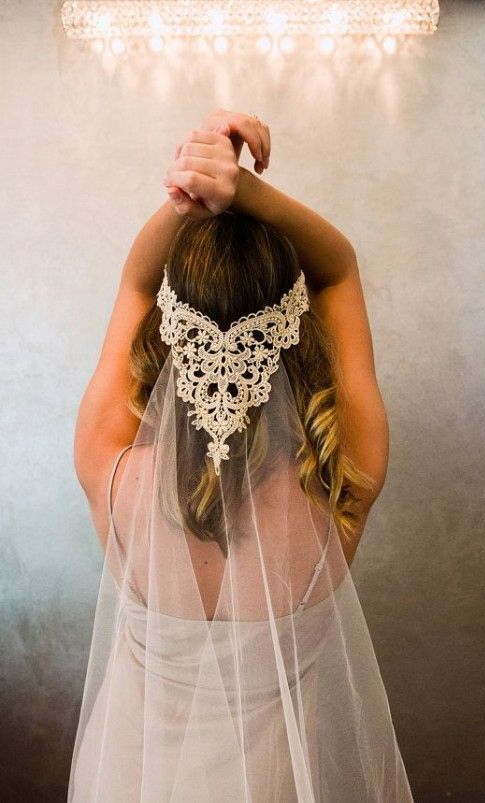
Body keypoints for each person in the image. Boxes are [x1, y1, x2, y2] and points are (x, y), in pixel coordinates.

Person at [68, 108, 414, 802]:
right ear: (290, 329)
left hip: (126, 781)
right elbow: (339, 266)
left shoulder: (110, 473)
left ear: (169, 333)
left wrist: (190, 180)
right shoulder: (340, 480)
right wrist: (242, 188)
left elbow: (137, 280)